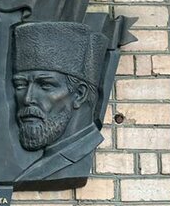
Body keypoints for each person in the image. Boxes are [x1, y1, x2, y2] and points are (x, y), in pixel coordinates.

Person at [11, 21, 107, 183]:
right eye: (21, 85)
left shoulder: (73, 159)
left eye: (45, 85)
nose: (28, 99)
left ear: (79, 94)